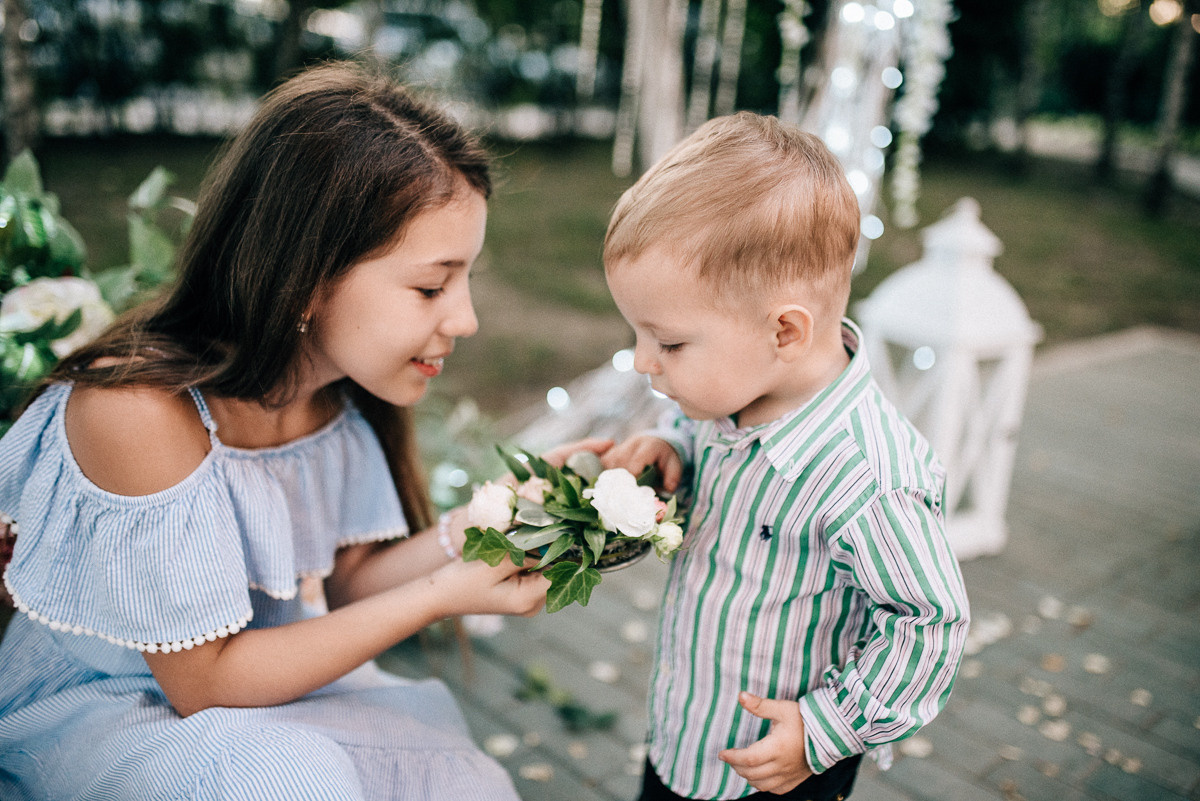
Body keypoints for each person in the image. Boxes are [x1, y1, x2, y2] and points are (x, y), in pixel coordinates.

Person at [0, 62, 597, 800]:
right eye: (431, 285)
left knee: (462, 781)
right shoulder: (140, 412)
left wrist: (492, 518)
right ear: (309, 276)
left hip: (252, 701)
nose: (465, 319)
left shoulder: (328, 406)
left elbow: (348, 586)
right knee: (291, 779)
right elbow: (204, 682)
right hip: (103, 708)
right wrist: (443, 591)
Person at [598, 112, 971, 801]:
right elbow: (699, 437)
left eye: (669, 342)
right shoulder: (730, 394)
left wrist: (824, 728)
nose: (644, 361)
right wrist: (671, 447)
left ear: (784, 331)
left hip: (778, 768)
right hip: (686, 726)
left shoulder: (868, 475)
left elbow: (929, 623)